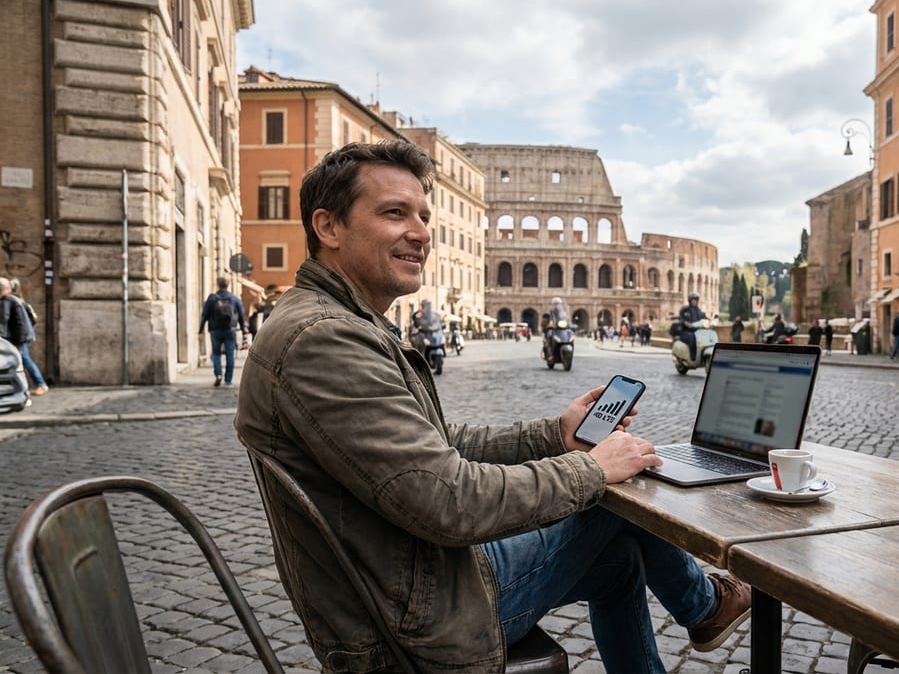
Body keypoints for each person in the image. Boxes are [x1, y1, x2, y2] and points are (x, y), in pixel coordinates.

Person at [235, 140, 750, 673]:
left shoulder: (340, 321)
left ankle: (704, 607)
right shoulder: (327, 340)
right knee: (607, 495)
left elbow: (435, 446)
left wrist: (556, 436)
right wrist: (592, 468)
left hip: (411, 580)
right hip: (411, 622)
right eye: (394, 213)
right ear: (328, 226)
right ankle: (705, 605)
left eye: (423, 216)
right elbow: (448, 499)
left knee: (620, 560)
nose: (420, 232)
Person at [198, 276, 247, 387]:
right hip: (230, 329)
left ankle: (218, 375)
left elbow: (204, 314)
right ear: (228, 284)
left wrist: (201, 328)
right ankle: (228, 380)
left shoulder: (212, 298)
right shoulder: (234, 298)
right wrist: (244, 331)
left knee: (216, 353)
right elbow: (242, 316)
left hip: (215, 329)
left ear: (217, 284)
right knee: (230, 354)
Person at [7, 278, 48, 395]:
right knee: (22, 360)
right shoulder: (19, 301)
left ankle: (40, 384)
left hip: (20, 336)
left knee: (25, 359)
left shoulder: (12, 301)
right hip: (23, 335)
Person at [678, 292, 706, 360]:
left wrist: (710, 321)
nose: (694, 301)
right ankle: (693, 357)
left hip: (698, 331)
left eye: (696, 300)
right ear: (690, 301)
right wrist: (685, 323)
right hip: (686, 331)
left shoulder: (700, 311)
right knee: (692, 338)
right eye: (693, 300)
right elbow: (681, 319)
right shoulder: (685, 309)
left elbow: (704, 318)